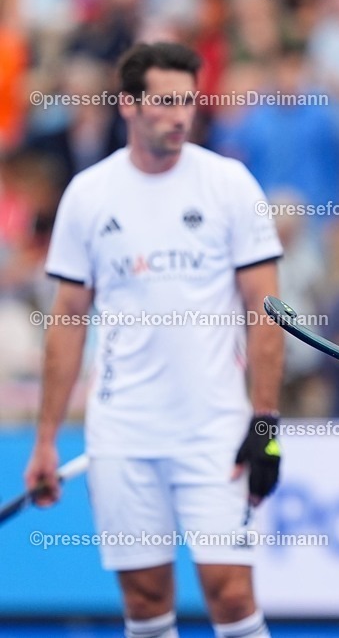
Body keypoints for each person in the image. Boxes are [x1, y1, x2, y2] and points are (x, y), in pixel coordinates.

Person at [23, 42, 284, 638]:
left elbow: (267, 312)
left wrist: (265, 423)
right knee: (144, 604)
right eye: (165, 102)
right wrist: (44, 441)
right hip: (122, 431)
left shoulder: (228, 183)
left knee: (231, 593)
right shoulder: (88, 195)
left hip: (216, 430)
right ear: (128, 105)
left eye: (188, 102)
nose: (180, 115)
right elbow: (67, 323)